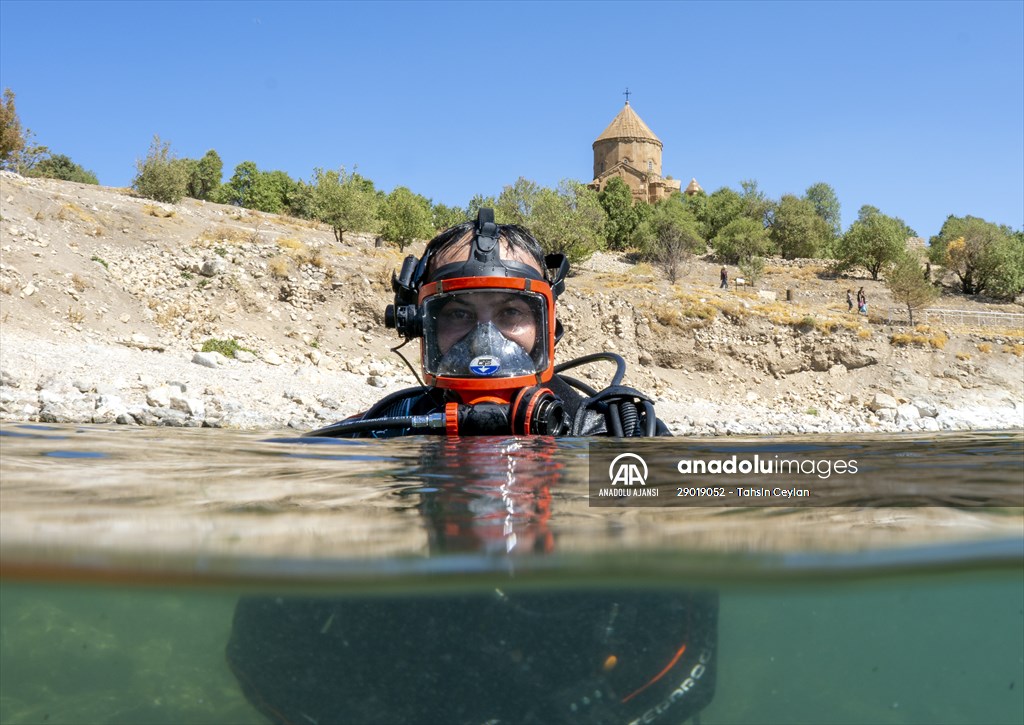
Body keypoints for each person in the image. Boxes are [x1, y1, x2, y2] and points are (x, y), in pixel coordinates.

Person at [307, 208, 667, 439]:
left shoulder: (613, 430)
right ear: (419, 326)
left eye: (511, 312)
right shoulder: (390, 423)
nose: (484, 341)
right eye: (458, 313)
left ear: (547, 327)